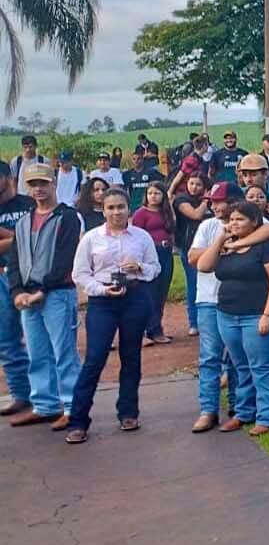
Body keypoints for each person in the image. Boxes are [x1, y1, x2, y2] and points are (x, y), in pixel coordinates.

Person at [62, 187, 160, 442]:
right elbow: (80, 274)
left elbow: (155, 268)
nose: (116, 212)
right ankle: (78, 421)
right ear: (103, 210)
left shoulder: (141, 237)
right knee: (94, 359)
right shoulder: (92, 238)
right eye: (111, 207)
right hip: (102, 303)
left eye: (121, 207)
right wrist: (101, 289)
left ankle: (128, 412)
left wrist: (139, 267)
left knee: (131, 356)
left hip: (134, 299)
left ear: (129, 208)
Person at [188, 182, 269, 432]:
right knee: (210, 357)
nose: (213, 206)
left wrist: (235, 242)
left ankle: (240, 408)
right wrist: (223, 241)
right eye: (211, 201)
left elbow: (267, 232)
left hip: (245, 305)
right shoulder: (208, 226)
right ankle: (208, 410)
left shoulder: (254, 222)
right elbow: (195, 259)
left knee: (242, 359)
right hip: (208, 299)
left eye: (218, 201)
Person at [4, 164, 83, 428]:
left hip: (57, 294)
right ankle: (45, 404)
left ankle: (74, 407)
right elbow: (14, 260)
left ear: (53, 184)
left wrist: (42, 290)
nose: (38, 189)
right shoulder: (25, 221)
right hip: (27, 296)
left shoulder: (67, 217)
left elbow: (65, 258)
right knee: (37, 353)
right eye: (33, 184)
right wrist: (17, 291)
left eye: (43, 183)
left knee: (64, 353)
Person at [0, 169, 37, 416]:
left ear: (8, 177)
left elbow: (41, 236)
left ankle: (48, 394)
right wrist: (20, 238)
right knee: (6, 339)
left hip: (33, 276)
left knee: (40, 339)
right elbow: (30, 238)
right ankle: (21, 394)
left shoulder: (29, 204)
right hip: (3, 275)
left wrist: (12, 238)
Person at [131, 183, 177, 345]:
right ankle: (144, 331)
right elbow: (134, 236)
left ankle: (156, 328)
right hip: (150, 254)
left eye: (157, 193)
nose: (153, 196)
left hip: (166, 253)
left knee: (161, 292)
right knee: (148, 292)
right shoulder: (141, 213)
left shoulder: (166, 212)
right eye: (150, 193)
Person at [173, 172, 208, 337]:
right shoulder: (181, 200)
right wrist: (207, 201)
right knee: (193, 284)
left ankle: (206, 321)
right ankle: (194, 322)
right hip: (189, 248)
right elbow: (195, 215)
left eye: (198, 184)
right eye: (191, 183)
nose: (194, 187)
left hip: (209, 248)